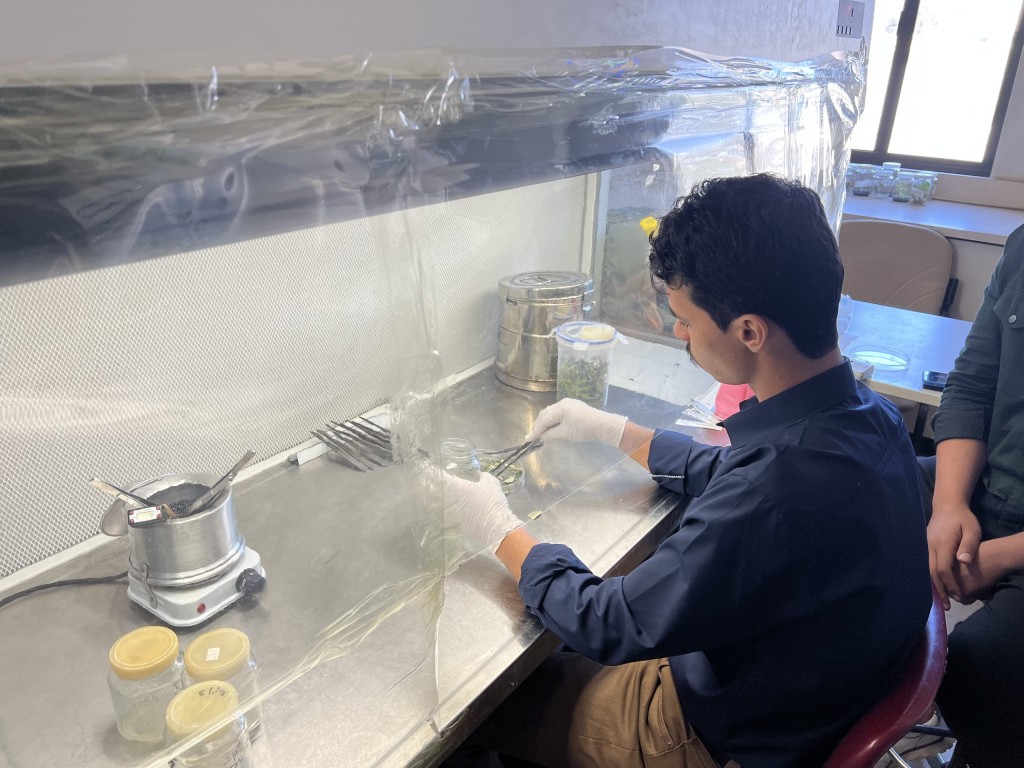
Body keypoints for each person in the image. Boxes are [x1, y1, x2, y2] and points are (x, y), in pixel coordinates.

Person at [443, 174, 932, 768]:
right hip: (792, 690)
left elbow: (609, 621)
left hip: (710, 733)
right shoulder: (868, 416)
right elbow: (736, 470)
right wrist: (620, 432)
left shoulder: (774, 492)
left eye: (686, 320)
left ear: (749, 331)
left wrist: (497, 527)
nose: (678, 332)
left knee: (479, 709)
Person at [922, 222, 1024, 767]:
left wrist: (999, 556)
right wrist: (949, 506)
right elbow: (971, 387)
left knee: (982, 674)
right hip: (993, 488)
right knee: (841, 495)